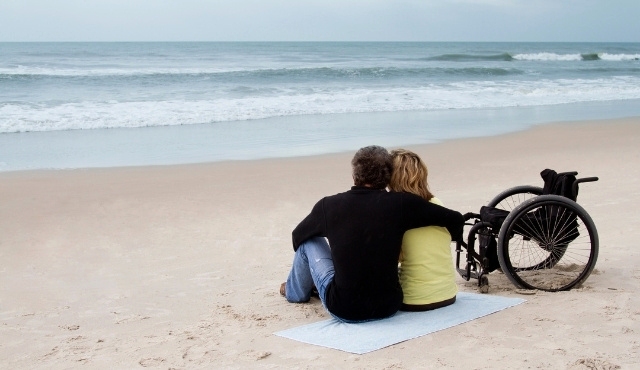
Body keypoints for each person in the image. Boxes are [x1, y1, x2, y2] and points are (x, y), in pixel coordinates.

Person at [281, 145, 464, 322]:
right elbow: (455, 218)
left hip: (345, 309)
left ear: (354, 175)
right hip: (388, 307)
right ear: (387, 177)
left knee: (309, 242)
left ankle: (294, 293)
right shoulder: (402, 204)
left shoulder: (328, 205)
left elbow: (297, 237)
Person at [388, 149, 458, 312]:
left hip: (412, 300)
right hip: (447, 294)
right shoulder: (436, 203)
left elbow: (393, 257)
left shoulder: (395, 212)